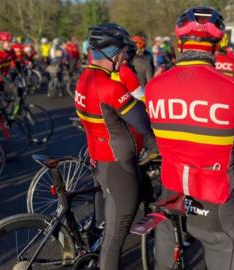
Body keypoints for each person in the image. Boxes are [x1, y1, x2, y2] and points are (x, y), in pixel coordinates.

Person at [146, 7, 234, 270]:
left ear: (178, 43)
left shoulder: (154, 87)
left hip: (171, 189)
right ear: (218, 44)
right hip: (215, 196)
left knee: (165, 253)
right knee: (227, 246)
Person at [75, 23, 158, 270]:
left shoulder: (84, 80)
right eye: (122, 51)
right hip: (119, 165)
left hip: (99, 159)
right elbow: (143, 122)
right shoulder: (109, 87)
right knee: (114, 241)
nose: (124, 57)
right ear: (111, 52)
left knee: (111, 229)